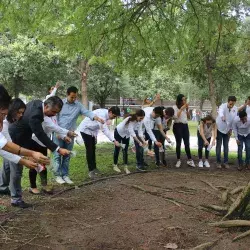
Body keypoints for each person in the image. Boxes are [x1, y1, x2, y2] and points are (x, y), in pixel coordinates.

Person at [53, 86, 104, 184]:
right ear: (67, 95)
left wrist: (97, 118)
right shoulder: (60, 104)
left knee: (67, 155)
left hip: (71, 134)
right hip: (59, 133)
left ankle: (65, 175)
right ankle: (58, 176)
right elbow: (54, 118)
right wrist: (57, 132)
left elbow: (87, 112)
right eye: (72, 97)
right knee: (57, 155)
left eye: (75, 97)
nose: (74, 99)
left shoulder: (78, 105)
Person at [29, 116, 77, 194]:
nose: (55, 113)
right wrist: (68, 132)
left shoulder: (53, 117)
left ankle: (44, 185)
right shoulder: (43, 117)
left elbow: (56, 128)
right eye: (54, 110)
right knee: (34, 164)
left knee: (43, 163)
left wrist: (64, 137)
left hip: (44, 142)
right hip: (35, 141)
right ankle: (33, 187)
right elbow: (55, 127)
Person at [77, 106, 121, 179]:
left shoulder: (106, 114)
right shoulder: (102, 114)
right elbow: (104, 129)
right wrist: (114, 140)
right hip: (85, 129)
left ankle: (94, 168)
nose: (114, 118)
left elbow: (97, 126)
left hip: (92, 131)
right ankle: (91, 171)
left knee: (93, 149)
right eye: (114, 116)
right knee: (90, 150)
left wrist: (95, 136)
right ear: (110, 112)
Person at [173, 94, 195, 168]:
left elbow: (189, 117)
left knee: (187, 143)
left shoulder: (185, 107)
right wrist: (182, 108)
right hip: (177, 125)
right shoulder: (175, 107)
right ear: (179, 100)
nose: (184, 101)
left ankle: (190, 160)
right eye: (183, 100)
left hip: (185, 126)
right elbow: (175, 117)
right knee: (178, 143)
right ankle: (178, 160)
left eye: (185, 99)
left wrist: (187, 110)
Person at [216, 96, 237, 169]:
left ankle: (225, 162)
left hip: (227, 130)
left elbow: (234, 120)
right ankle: (218, 162)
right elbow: (220, 112)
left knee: (226, 146)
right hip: (219, 128)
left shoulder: (235, 109)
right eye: (230, 104)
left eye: (233, 104)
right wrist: (222, 117)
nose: (231, 106)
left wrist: (231, 129)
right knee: (218, 146)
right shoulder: (223, 106)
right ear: (228, 101)